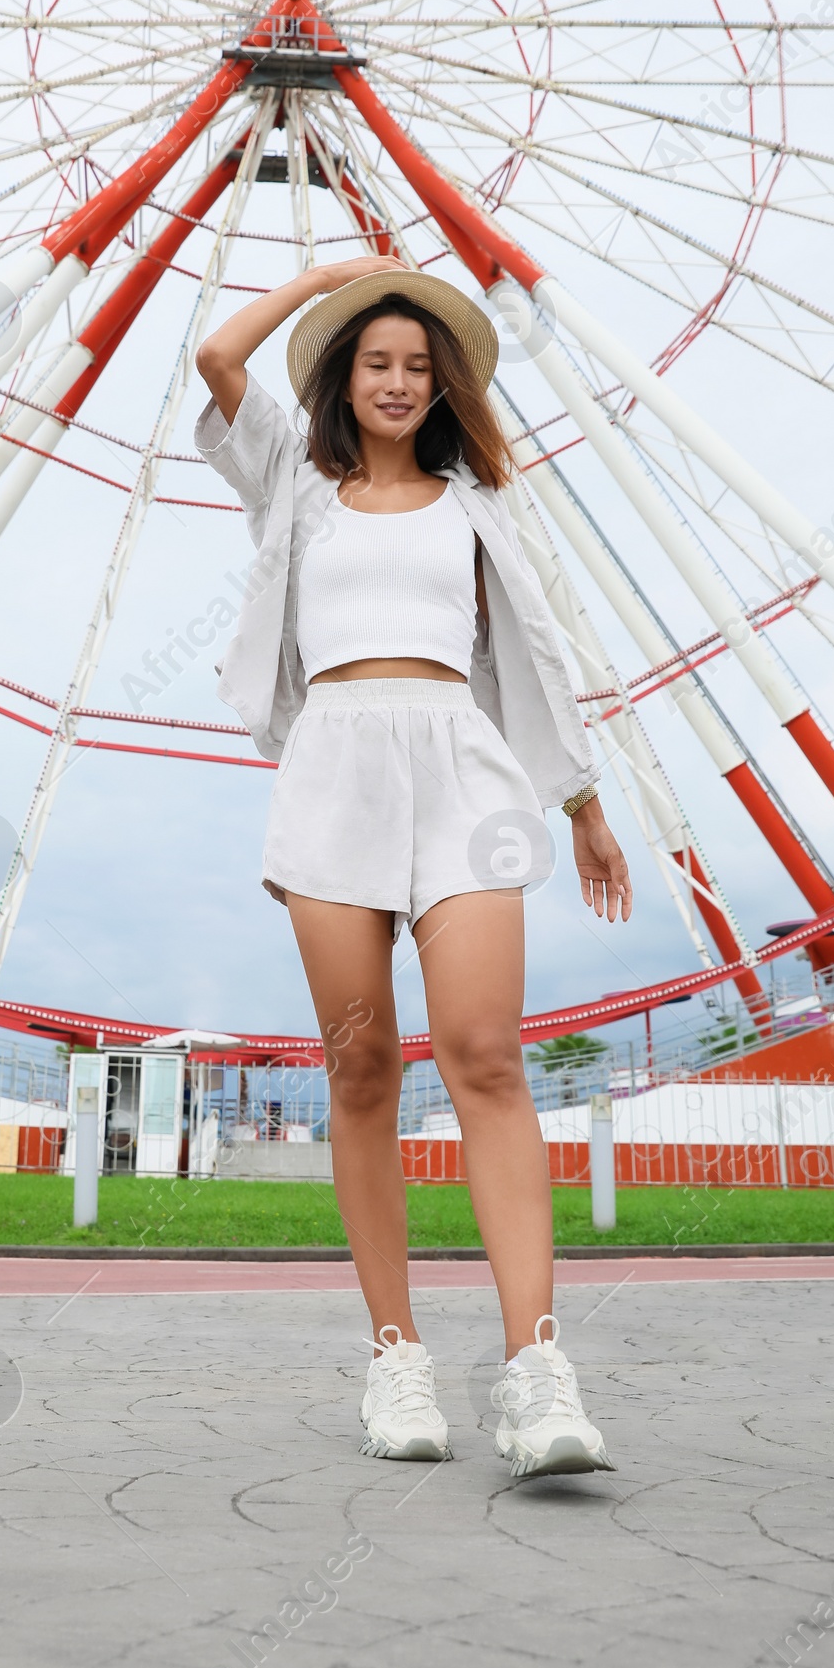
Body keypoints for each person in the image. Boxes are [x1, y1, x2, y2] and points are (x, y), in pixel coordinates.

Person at [195, 255, 632, 1477]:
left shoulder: (476, 501)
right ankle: (396, 1362)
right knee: (364, 1066)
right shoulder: (295, 482)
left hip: (462, 769)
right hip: (334, 764)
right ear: (347, 375)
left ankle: (536, 1373)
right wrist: (330, 280)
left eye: (418, 367)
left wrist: (584, 802)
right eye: (377, 361)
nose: (397, 382)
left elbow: (536, 655)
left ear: (443, 391)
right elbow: (218, 363)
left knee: (488, 1056)